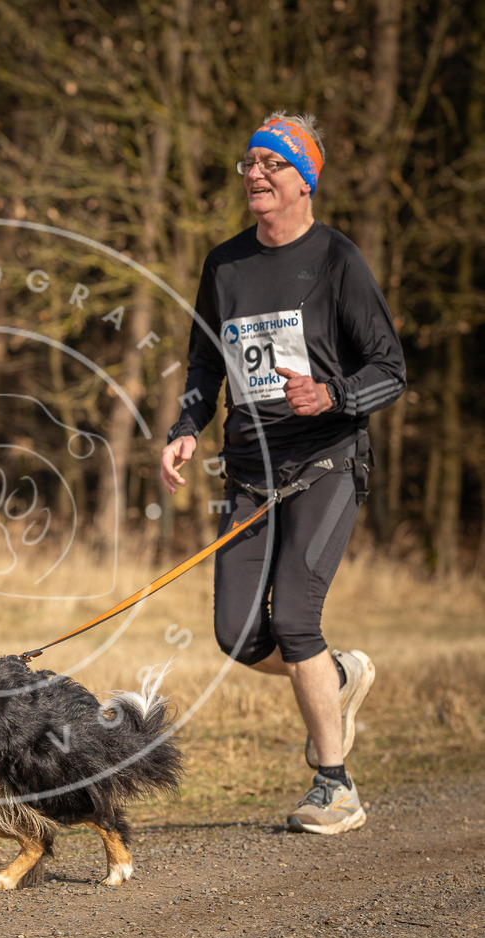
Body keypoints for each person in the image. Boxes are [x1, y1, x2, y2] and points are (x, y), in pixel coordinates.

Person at [159, 111, 406, 835]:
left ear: (304, 180)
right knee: (237, 634)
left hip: (327, 460)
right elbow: (208, 361)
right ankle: (335, 677)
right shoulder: (225, 264)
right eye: (249, 165)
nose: (255, 177)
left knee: (296, 619)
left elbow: (389, 367)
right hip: (251, 470)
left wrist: (333, 394)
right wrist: (184, 428)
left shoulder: (336, 259)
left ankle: (336, 787)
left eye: (271, 165)